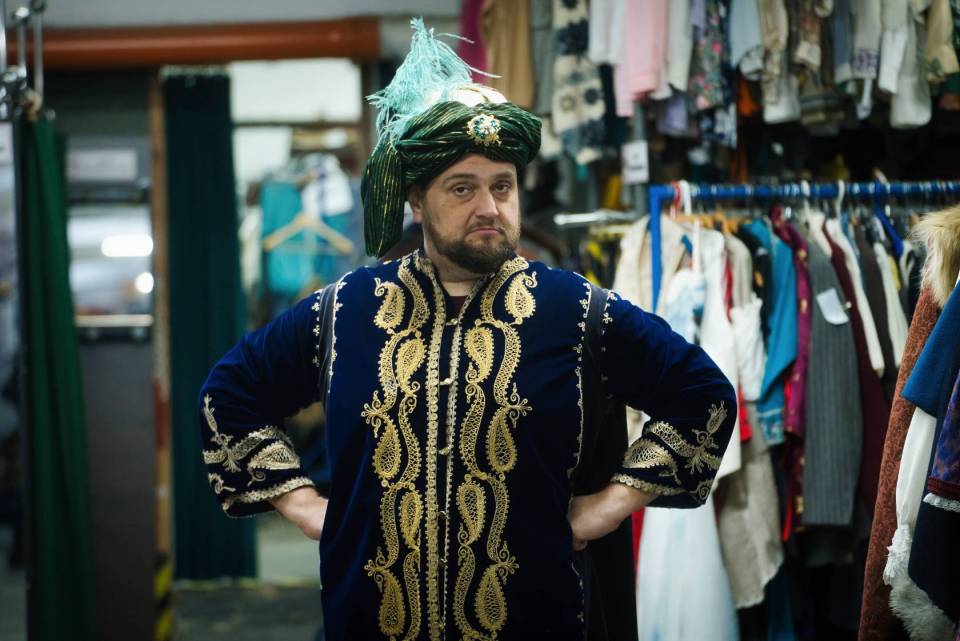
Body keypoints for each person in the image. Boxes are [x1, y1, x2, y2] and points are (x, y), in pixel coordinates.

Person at [198, 20, 736, 641]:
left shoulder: (578, 310)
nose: (489, 208)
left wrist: (610, 506)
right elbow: (229, 395)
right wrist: (301, 504)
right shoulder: (345, 311)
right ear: (416, 200)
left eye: (502, 186)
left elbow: (703, 396)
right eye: (462, 188)